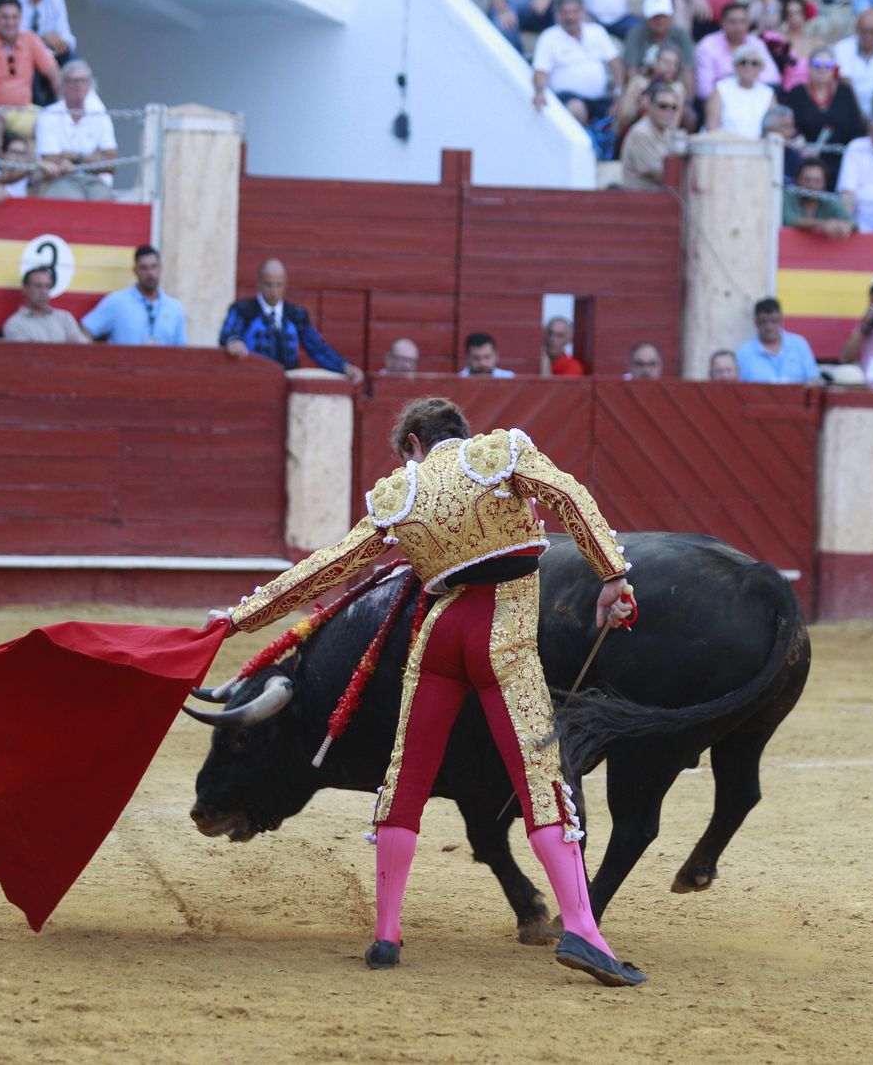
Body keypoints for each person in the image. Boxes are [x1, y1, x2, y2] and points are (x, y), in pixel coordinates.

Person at [215, 396, 643, 986]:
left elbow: (327, 567)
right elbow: (569, 496)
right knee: (540, 781)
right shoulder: (500, 452)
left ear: (413, 444)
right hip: (503, 631)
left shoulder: (399, 493)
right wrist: (612, 574)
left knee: (406, 778)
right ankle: (583, 932)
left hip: (440, 634)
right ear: (455, 434)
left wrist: (240, 617)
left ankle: (386, 935)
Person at [219, 258, 365, 383]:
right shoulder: (243, 310)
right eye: (268, 284)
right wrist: (233, 341)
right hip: (252, 382)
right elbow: (228, 333)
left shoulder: (296, 315)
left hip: (286, 385)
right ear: (259, 283)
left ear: (285, 285)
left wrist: (343, 366)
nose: (273, 290)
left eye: (278, 285)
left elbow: (317, 347)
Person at [0, 0, 60, 158]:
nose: (10, 22)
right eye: (4, 17)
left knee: (51, 122)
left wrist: (65, 107)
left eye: (14, 17)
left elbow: (55, 74)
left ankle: (38, 180)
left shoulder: (30, 39)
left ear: (20, 19)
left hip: (22, 109)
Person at [531, 0, 624, 127]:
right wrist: (540, 92)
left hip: (599, 98)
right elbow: (540, 71)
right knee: (577, 109)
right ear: (557, 14)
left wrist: (618, 93)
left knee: (622, 111)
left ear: (582, 12)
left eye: (574, 12)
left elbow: (615, 63)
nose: (570, 17)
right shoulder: (548, 37)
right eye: (565, 12)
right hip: (568, 99)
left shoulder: (596, 31)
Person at [33, 59, 115, 199]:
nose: (78, 85)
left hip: (94, 181)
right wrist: (93, 158)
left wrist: (73, 157)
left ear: (90, 85)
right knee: (72, 200)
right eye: (73, 81)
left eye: (83, 81)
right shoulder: (49, 114)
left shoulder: (100, 114)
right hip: (59, 181)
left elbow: (111, 162)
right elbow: (51, 159)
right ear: (63, 85)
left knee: (107, 203)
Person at [782, 46, 864, 187]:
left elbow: (857, 128)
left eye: (828, 65)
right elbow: (789, 126)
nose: (822, 69)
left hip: (840, 161)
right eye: (817, 65)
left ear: (834, 69)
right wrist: (801, 146)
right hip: (804, 159)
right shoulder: (797, 93)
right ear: (809, 67)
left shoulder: (845, 92)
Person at [82, 245, 188, 346]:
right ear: (135, 270)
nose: (150, 273)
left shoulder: (175, 308)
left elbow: (181, 349)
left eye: (154, 267)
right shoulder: (117, 302)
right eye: (143, 268)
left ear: (160, 269)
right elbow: (85, 331)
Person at [696, 2, 780, 107]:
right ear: (722, 23)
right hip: (720, 102)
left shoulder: (756, 44)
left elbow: (773, 78)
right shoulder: (708, 45)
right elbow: (704, 90)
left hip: (753, 99)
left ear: (748, 24)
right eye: (732, 22)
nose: (738, 27)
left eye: (742, 22)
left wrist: (743, 81)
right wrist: (742, 80)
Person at [830, 9, 873, 117]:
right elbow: (845, 83)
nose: (868, 36)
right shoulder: (841, 47)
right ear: (856, 29)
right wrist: (861, 115)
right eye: (864, 31)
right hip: (851, 108)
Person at [622, 0, 695, 100]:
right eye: (654, 16)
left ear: (671, 16)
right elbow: (631, 71)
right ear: (646, 18)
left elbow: (688, 71)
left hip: (673, 90)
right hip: (643, 89)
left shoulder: (682, 35)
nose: (659, 20)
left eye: (663, 16)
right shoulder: (635, 34)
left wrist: (688, 103)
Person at [736, 297, 820, 382]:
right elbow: (740, 388)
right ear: (756, 322)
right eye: (764, 321)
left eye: (774, 320)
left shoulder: (799, 345)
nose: (769, 326)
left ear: (781, 320)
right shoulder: (745, 353)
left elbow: (814, 380)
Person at [621, 80, 682, 189]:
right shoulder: (641, 133)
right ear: (650, 105)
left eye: (674, 107)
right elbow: (661, 175)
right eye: (663, 106)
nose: (669, 111)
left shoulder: (666, 132)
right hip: (641, 201)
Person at [2, 265, 88, 343]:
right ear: (25, 289)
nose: (43, 291)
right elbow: (28, 356)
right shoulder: (15, 324)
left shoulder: (64, 317)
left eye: (47, 286)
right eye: (38, 286)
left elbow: (82, 348)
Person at [704, 42, 773, 136]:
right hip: (724, 146)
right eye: (743, 62)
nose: (748, 67)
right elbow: (712, 126)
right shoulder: (721, 89)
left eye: (754, 63)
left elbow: (773, 128)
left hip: (759, 148)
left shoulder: (768, 93)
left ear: (761, 68)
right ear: (735, 65)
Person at [783, 157, 855, 237]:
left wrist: (845, 226)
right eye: (807, 180)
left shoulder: (829, 200)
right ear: (797, 180)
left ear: (824, 183)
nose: (812, 185)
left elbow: (853, 221)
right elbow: (788, 219)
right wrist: (823, 224)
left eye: (817, 181)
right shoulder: (787, 195)